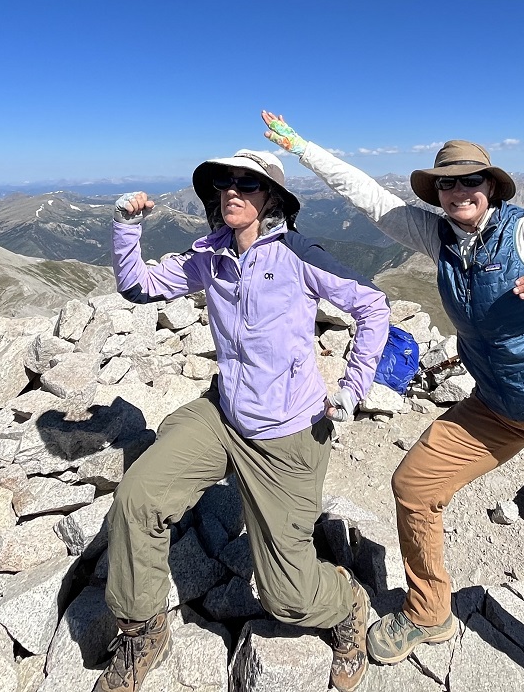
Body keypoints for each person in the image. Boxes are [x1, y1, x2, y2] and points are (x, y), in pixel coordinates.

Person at [261, 113, 524, 692]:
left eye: (470, 181)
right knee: (415, 487)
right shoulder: (437, 237)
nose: (459, 191)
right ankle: (430, 612)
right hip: (495, 407)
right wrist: (304, 149)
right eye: (447, 183)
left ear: (492, 187)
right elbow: (368, 198)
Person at [99, 148, 391, 692]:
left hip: (288, 435)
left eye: (247, 184)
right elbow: (136, 287)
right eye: (223, 184)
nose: (232, 191)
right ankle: (142, 631)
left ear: (271, 198)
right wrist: (126, 225)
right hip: (223, 414)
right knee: (138, 497)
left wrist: (353, 387)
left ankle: (347, 601)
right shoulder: (210, 256)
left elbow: (374, 305)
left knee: (288, 599)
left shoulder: (298, 254)